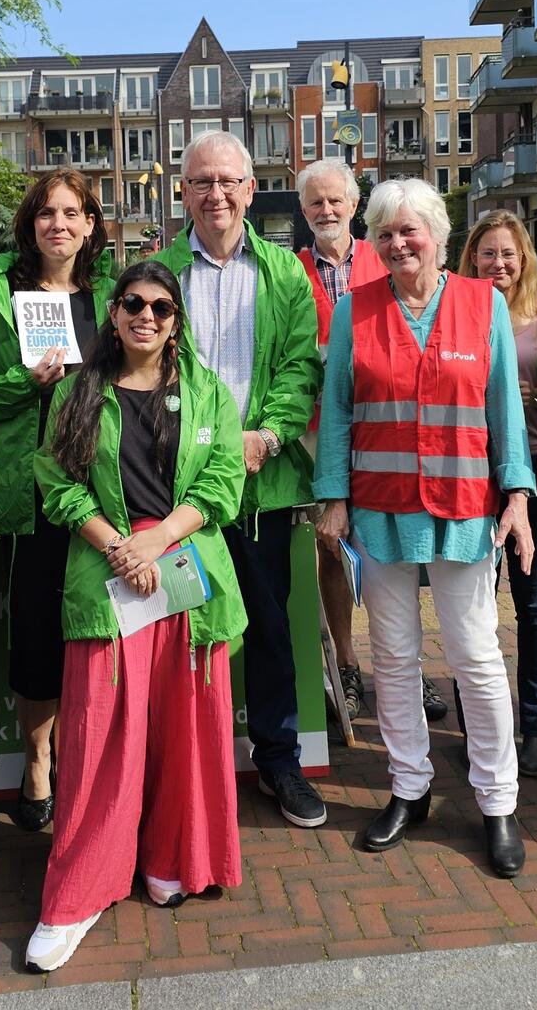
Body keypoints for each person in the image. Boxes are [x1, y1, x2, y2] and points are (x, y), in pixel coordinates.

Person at [25, 261, 245, 972]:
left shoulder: (206, 390)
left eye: (160, 306)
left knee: (185, 731)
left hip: (185, 574)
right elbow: (56, 482)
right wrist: (121, 547)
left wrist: (157, 539)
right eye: (132, 304)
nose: (146, 316)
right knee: (99, 742)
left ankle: (171, 856)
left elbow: (223, 483)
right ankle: (81, 890)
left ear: (175, 321)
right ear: (113, 315)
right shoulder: (78, 395)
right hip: (107, 576)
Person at [314, 178, 535, 879]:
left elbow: (504, 407)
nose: (398, 243)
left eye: (410, 231)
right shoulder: (356, 310)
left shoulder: (483, 304)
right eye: (385, 233)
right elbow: (339, 409)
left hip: (466, 507)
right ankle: (409, 789)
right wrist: (332, 495)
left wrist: (519, 493)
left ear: (439, 236)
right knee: (396, 659)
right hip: (380, 510)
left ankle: (498, 801)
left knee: (475, 656)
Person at [151, 131, 326, 828]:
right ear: (183, 191)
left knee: (271, 629)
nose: (215, 193)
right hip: (177, 495)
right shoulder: (158, 272)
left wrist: (269, 435)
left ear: (251, 190)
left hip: (260, 488)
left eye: (228, 181)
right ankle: (188, 764)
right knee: (184, 624)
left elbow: (298, 367)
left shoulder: (285, 274)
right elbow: (141, 369)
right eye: (201, 181)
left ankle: (278, 760)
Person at [0, 169, 114, 833]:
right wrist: (22, 380)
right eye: (47, 213)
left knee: (93, 626)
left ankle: (86, 756)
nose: (59, 224)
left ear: (91, 224)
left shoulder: (110, 295)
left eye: (72, 213)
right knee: (37, 626)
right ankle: (36, 759)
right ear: (30, 222)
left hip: (102, 489)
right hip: (32, 488)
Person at [293, 158, 448, 727]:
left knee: (400, 547)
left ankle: (405, 667)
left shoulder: (380, 258)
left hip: (388, 428)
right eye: (315, 202)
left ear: (355, 206)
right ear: (303, 209)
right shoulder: (292, 271)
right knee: (333, 551)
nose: (326, 211)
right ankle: (348, 663)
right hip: (321, 431)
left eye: (336, 201)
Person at [458, 210, 537, 777]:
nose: (497, 263)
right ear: (471, 257)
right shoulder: (458, 312)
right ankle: (477, 719)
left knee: (535, 601)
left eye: (508, 254)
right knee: (472, 603)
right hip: (472, 472)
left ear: (524, 259)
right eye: (486, 253)